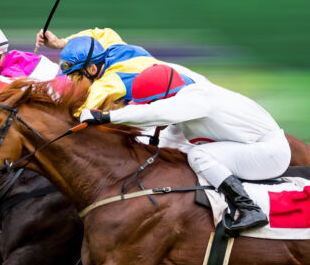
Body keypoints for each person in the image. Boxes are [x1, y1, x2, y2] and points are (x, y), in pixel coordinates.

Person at [79, 63, 291, 234]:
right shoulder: (186, 106)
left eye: (150, 103)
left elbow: (154, 114)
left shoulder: (195, 99)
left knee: (199, 155)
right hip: (253, 149)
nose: (149, 108)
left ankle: (249, 209)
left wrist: (104, 117)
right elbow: (167, 141)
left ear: (165, 98)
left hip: (269, 154)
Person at [37, 27, 203, 115]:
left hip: (186, 108)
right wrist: (61, 43)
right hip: (187, 80)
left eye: (75, 77)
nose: (71, 83)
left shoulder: (108, 84)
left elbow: (79, 113)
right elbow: (95, 34)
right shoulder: (108, 42)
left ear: (92, 69)